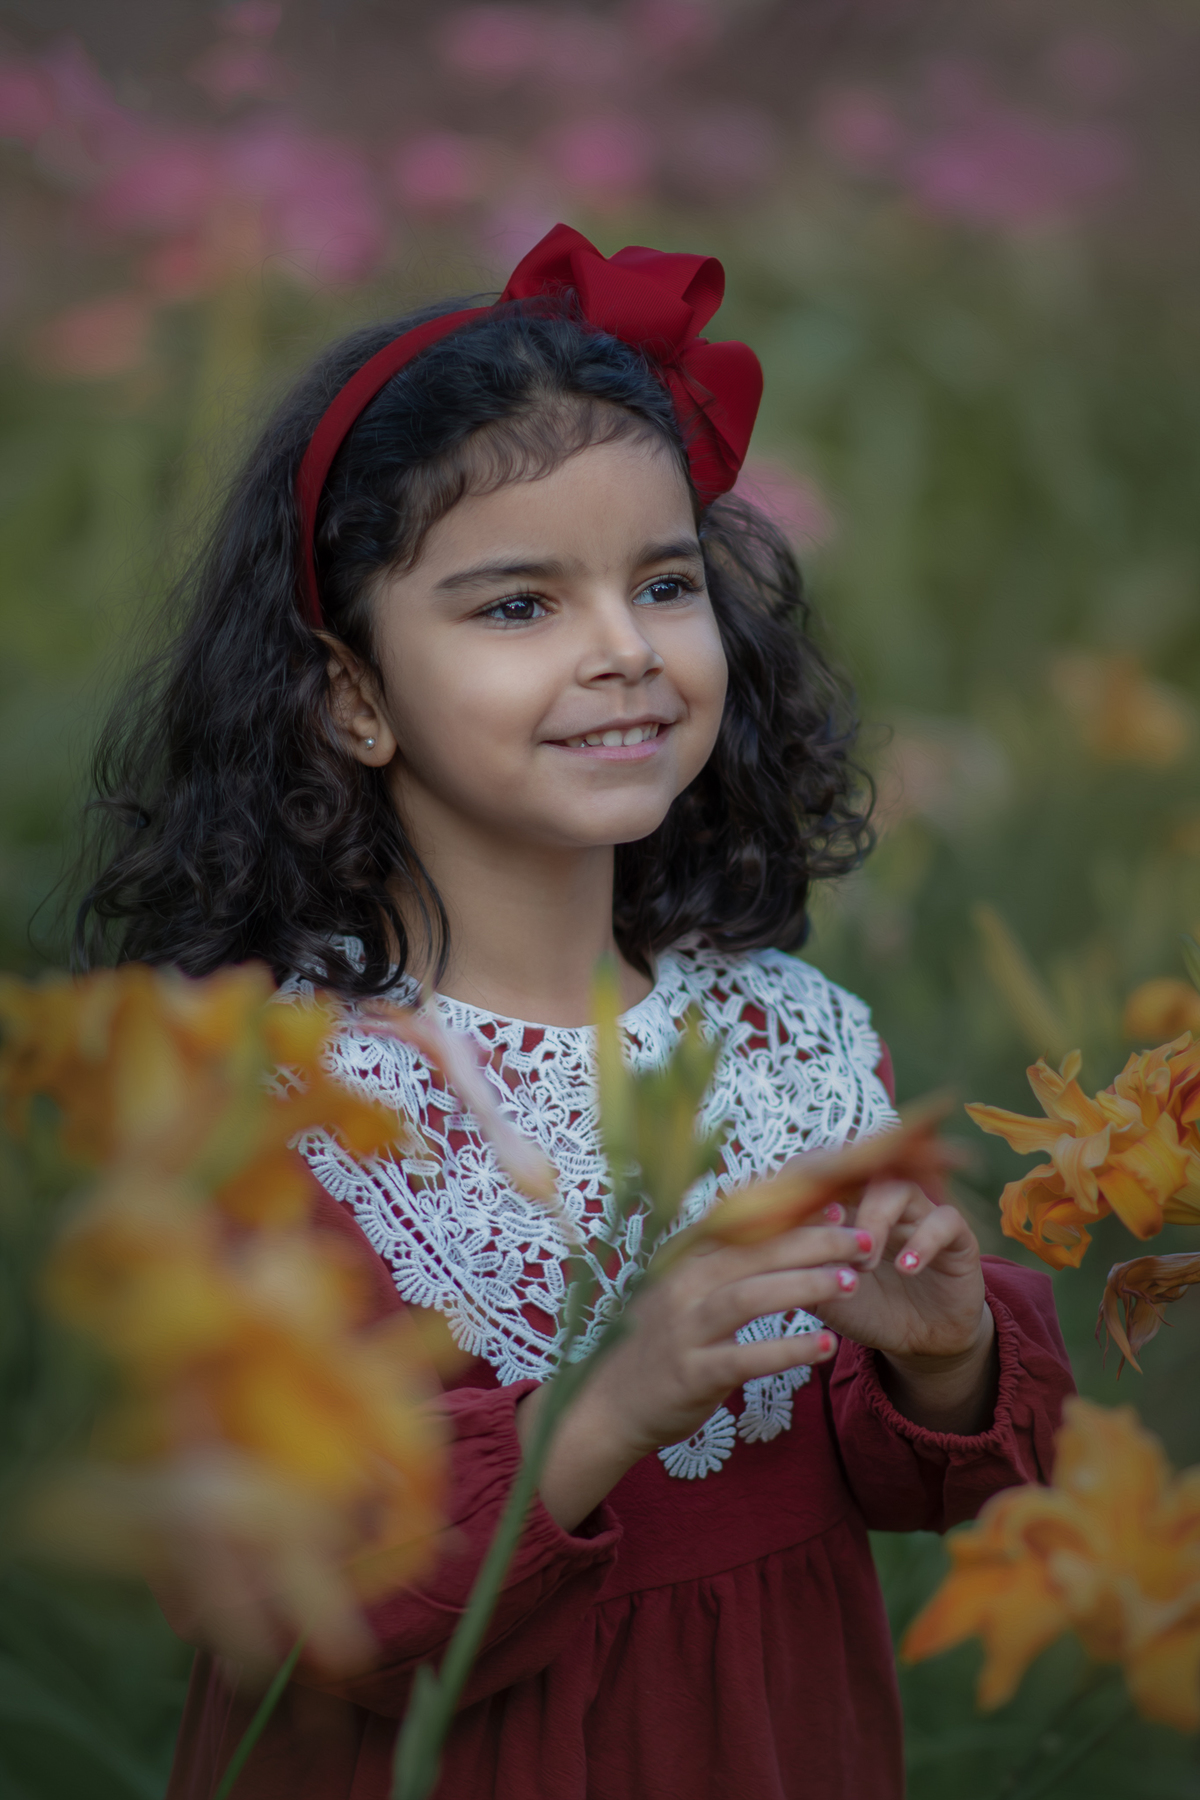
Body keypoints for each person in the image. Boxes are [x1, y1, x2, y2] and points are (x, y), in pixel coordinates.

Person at [78, 225, 1074, 1799]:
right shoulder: (276, 1097)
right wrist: (607, 1401)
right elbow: (295, 1594)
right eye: (516, 606)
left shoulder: (792, 1040)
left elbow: (932, 1483)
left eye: (663, 583)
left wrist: (939, 1362)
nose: (625, 653)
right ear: (348, 693)